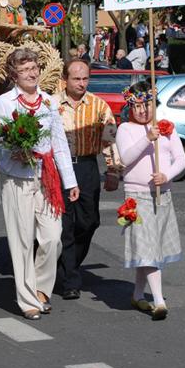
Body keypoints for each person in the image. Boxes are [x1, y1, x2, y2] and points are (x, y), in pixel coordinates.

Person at [0, 47, 79, 320]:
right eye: (25, 69)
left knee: (52, 237)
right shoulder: (5, 102)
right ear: (14, 75)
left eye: (34, 68)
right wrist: (10, 154)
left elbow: (59, 143)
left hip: (47, 177)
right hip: (17, 178)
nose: (32, 73)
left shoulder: (49, 101)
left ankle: (40, 288)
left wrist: (69, 181)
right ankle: (27, 299)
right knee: (23, 240)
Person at [115, 81, 185, 321]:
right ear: (130, 107)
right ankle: (158, 300)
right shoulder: (125, 129)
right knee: (148, 248)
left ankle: (137, 294)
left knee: (151, 248)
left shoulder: (166, 128)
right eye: (137, 106)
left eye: (147, 104)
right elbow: (125, 158)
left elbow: (181, 160)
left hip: (162, 194)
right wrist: (147, 138)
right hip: (137, 196)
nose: (142, 110)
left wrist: (166, 175)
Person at [54, 59, 121, 301]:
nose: (82, 83)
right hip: (59, 168)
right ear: (65, 80)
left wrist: (113, 171)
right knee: (65, 227)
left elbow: (110, 139)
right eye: (76, 79)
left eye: (85, 79)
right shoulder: (52, 105)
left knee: (89, 221)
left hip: (86, 166)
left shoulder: (99, 106)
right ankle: (70, 280)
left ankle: (63, 265)